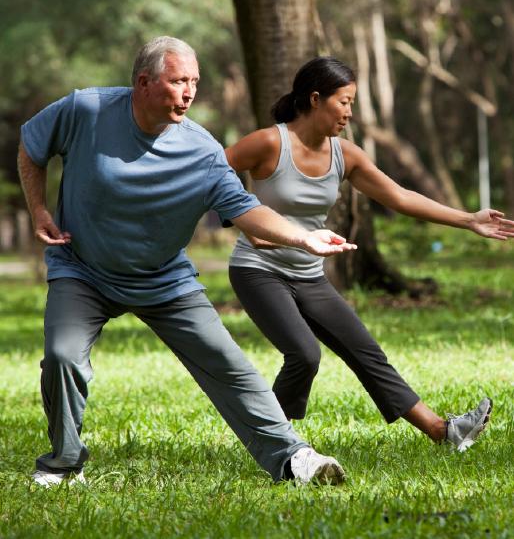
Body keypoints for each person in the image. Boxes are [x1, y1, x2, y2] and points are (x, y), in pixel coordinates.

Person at [18, 38, 358, 488]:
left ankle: (294, 458)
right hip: (83, 269)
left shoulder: (202, 150)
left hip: (163, 278)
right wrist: (39, 209)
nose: (189, 92)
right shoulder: (87, 110)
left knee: (228, 362)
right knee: (63, 357)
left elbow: (243, 208)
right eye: (179, 81)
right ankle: (63, 464)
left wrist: (303, 236)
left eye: (194, 82)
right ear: (143, 82)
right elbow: (32, 146)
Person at [225, 56, 514, 451]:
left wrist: (468, 219)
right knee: (305, 355)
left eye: (352, 103)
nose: (349, 112)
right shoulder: (269, 143)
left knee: (367, 352)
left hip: (309, 274)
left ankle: (443, 432)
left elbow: (399, 196)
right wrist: (245, 224)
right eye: (343, 102)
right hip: (258, 270)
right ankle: (273, 443)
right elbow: (211, 174)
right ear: (314, 99)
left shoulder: (345, 154)